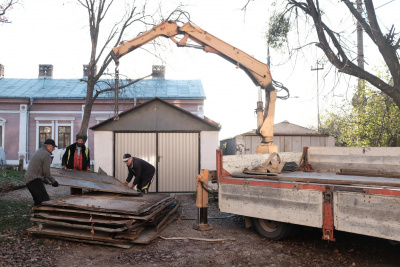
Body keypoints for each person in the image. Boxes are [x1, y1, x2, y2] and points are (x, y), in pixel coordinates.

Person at [23, 139, 59, 206]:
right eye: (53, 147)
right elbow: (46, 172)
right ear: (49, 146)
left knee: (38, 201)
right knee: (44, 200)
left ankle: (37, 215)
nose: (54, 149)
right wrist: (53, 182)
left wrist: (44, 179)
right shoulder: (46, 154)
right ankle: (41, 215)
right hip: (34, 180)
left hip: (29, 179)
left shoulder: (39, 151)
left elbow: (39, 168)